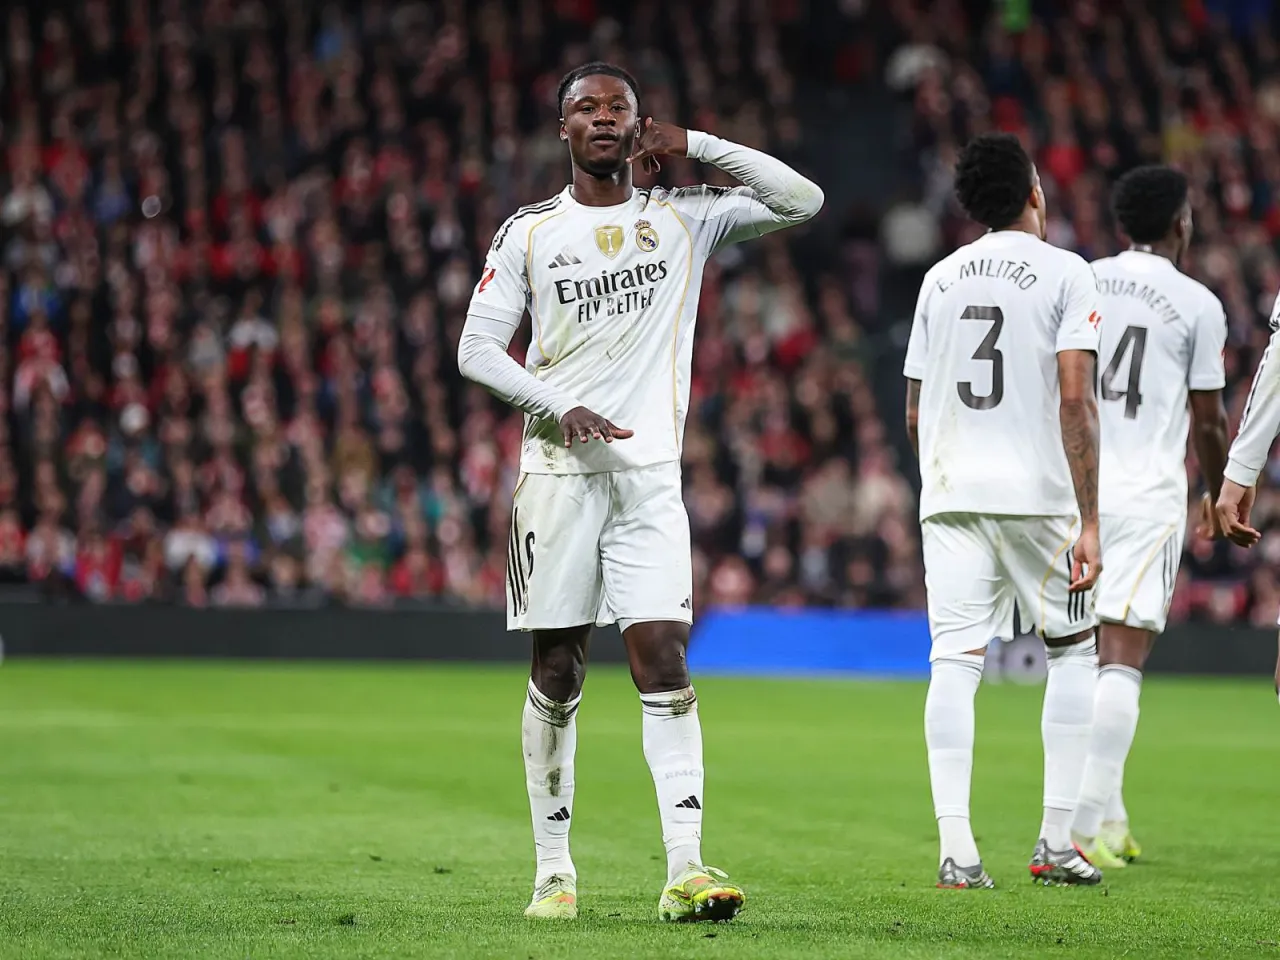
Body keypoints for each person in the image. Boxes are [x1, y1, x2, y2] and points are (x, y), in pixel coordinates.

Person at [456, 61, 823, 922]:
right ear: (563, 130)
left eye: (616, 107)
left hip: (650, 481)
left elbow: (801, 200)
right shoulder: (529, 233)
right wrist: (557, 404)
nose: (601, 119)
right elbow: (475, 349)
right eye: (584, 108)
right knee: (558, 668)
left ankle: (685, 868)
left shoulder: (683, 216)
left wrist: (698, 143)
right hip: (557, 480)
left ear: (638, 124)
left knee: (664, 660)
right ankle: (553, 873)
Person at [904, 133, 1104, 889]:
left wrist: (942, 485)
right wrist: (1090, 519)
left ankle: (957, 851)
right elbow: (1076, 399)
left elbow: (915, 410)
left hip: (951, 493)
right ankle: (1055, 842)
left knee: (954, 663)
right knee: (1074, 650)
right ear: (1034, 194)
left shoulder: (938, 279)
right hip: (1038, 496)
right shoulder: (1068, 272)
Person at [1068, 166, 1230, 869]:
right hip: (1148, 494)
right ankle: (1075, 831)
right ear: (1180, 224)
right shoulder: (1197, 303)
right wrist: (1221, 492)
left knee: (1082, 658)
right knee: (1123, 660)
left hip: (1076, 491)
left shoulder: (1084, 278)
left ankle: (1110, 818)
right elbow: (1209, 420)